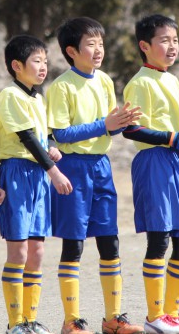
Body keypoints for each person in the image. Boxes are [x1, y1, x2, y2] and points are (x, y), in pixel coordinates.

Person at [46, 17, 145, 334]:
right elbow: (60, 132)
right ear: (71, 51)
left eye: (101, 43)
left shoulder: (104, 81)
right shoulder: (61, 86)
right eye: (91, 44)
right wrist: (105, 124)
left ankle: (113, 318)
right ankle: (70, 321)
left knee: (109, 241)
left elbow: (111, 126)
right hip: (72, 168)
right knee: (73, 245)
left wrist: (122, 122)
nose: (98, 49)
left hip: (101, 166)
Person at [121, 14, 179, 334]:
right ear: (145, 46)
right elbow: (132, 129)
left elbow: (176, 130)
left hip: (177, 162)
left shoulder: (171, 80)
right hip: (154, 162)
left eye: (174, 40)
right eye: (164, 41)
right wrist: (172, 138)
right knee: (160, 238)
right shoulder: (140, 82)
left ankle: (173, 313)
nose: (172, 47)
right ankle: (155, 316)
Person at [0, 35, 73, 334]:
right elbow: (26, 138)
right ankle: (15, 323)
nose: (43, 68)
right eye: (37, 61)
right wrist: (54, 171)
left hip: (38, 173)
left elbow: (41, 137)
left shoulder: (37, 97)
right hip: (17, 173)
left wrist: (52, 147)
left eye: (45, 62)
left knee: (37, 251)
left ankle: (30, 319)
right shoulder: (10, 95)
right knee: (19, 251)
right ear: (16, 65)